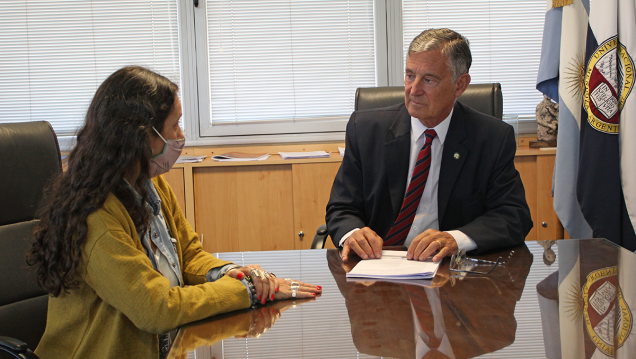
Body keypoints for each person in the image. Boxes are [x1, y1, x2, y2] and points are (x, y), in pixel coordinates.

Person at [26, 66, 321, 359]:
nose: (181, 136)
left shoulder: (150, 185)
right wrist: (246, 291)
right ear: (140, 136)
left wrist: (230, 272)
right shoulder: (95, 217)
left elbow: (189, 255)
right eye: (175, 125)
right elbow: (156, 308)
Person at [326, 28, 532, 262]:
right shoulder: (365, 129)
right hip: (377, 267)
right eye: (410, 76)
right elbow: (341, 208)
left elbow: (514, 216)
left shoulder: (491, 138)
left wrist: (457, 239)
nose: (414, 91)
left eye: (429, 79)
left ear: (460, 85)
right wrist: (353, 233)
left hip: (451, 273)